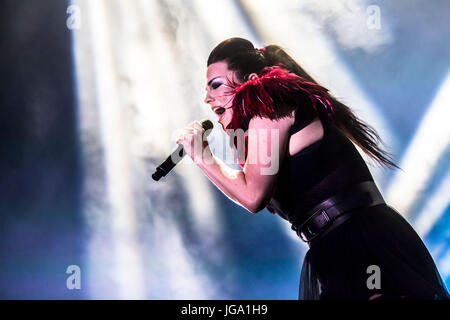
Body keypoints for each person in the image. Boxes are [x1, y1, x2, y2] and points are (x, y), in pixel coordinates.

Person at [175, 37, 449, 300]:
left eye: (216, 85)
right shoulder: (262, 124)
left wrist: (203, 157)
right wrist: (205, 158)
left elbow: (252, 195)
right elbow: (247, 187)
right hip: (336, 244)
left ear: (250, 80)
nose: (208, 99)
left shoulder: (269, 105)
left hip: (358, 239)